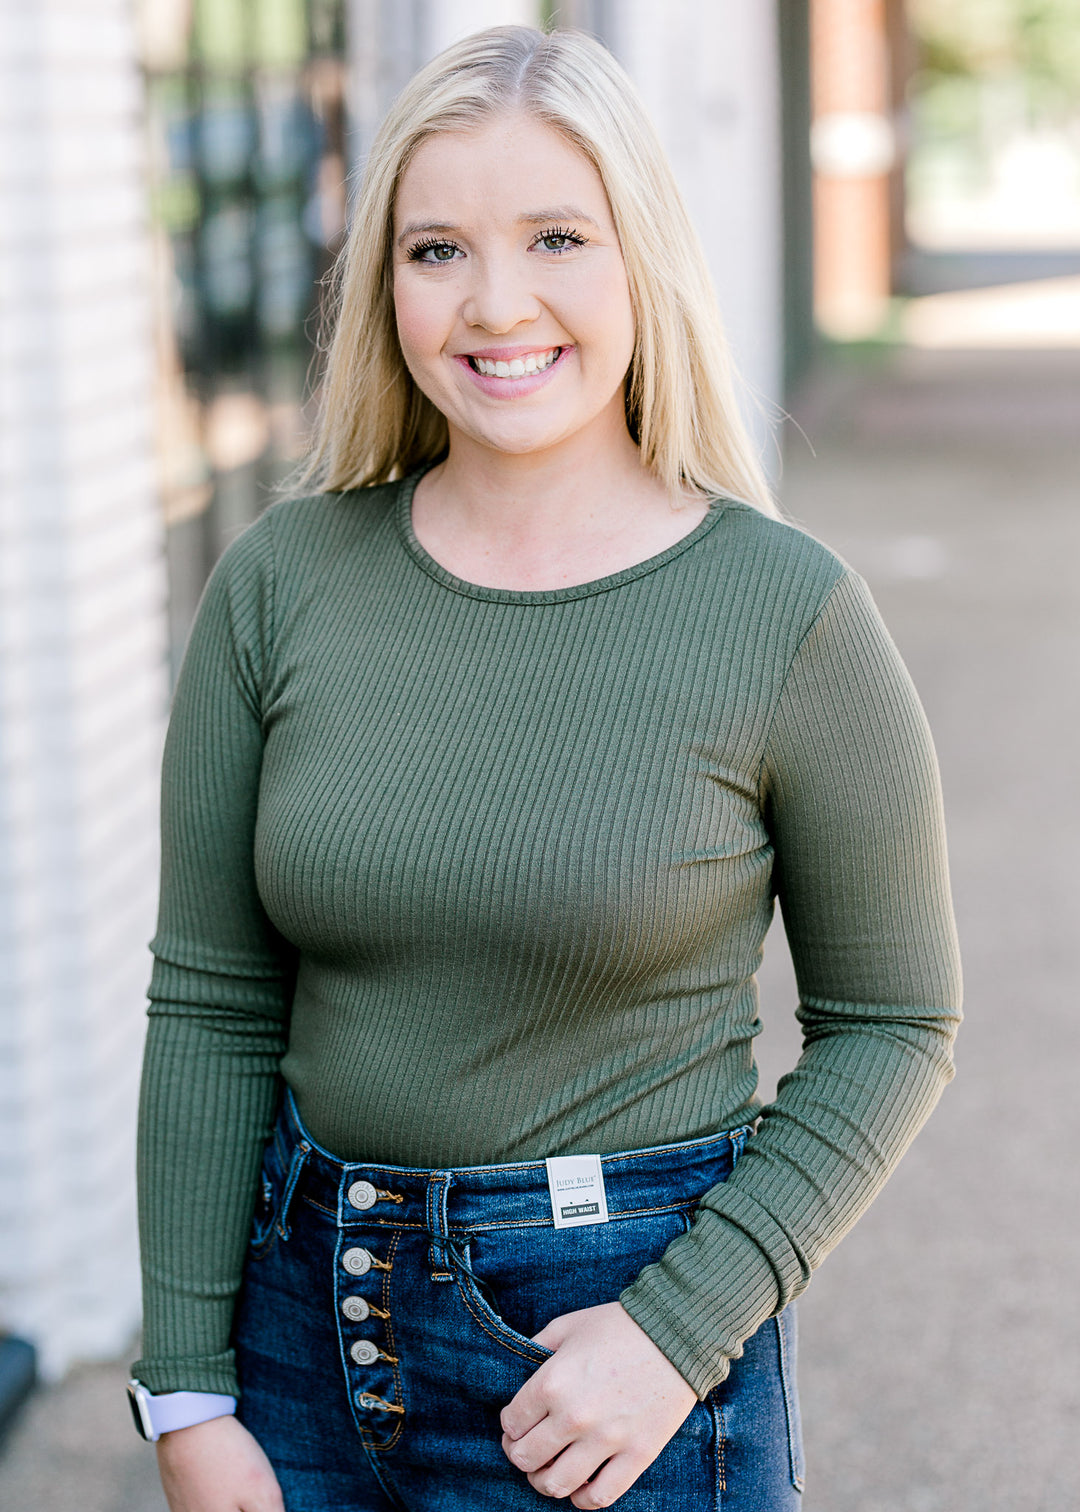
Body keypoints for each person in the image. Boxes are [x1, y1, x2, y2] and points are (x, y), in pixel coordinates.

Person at [129, 24, 962, 1512]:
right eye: (437, 248)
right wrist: (188, 1391)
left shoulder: (785, 612)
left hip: (611, 1358)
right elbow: (211, 997)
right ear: (383, 284)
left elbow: (892, 1025)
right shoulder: (280, 583)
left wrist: (676, 1332)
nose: (495, 303)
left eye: (557, 237)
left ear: (641, 255)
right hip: (299, 1345)